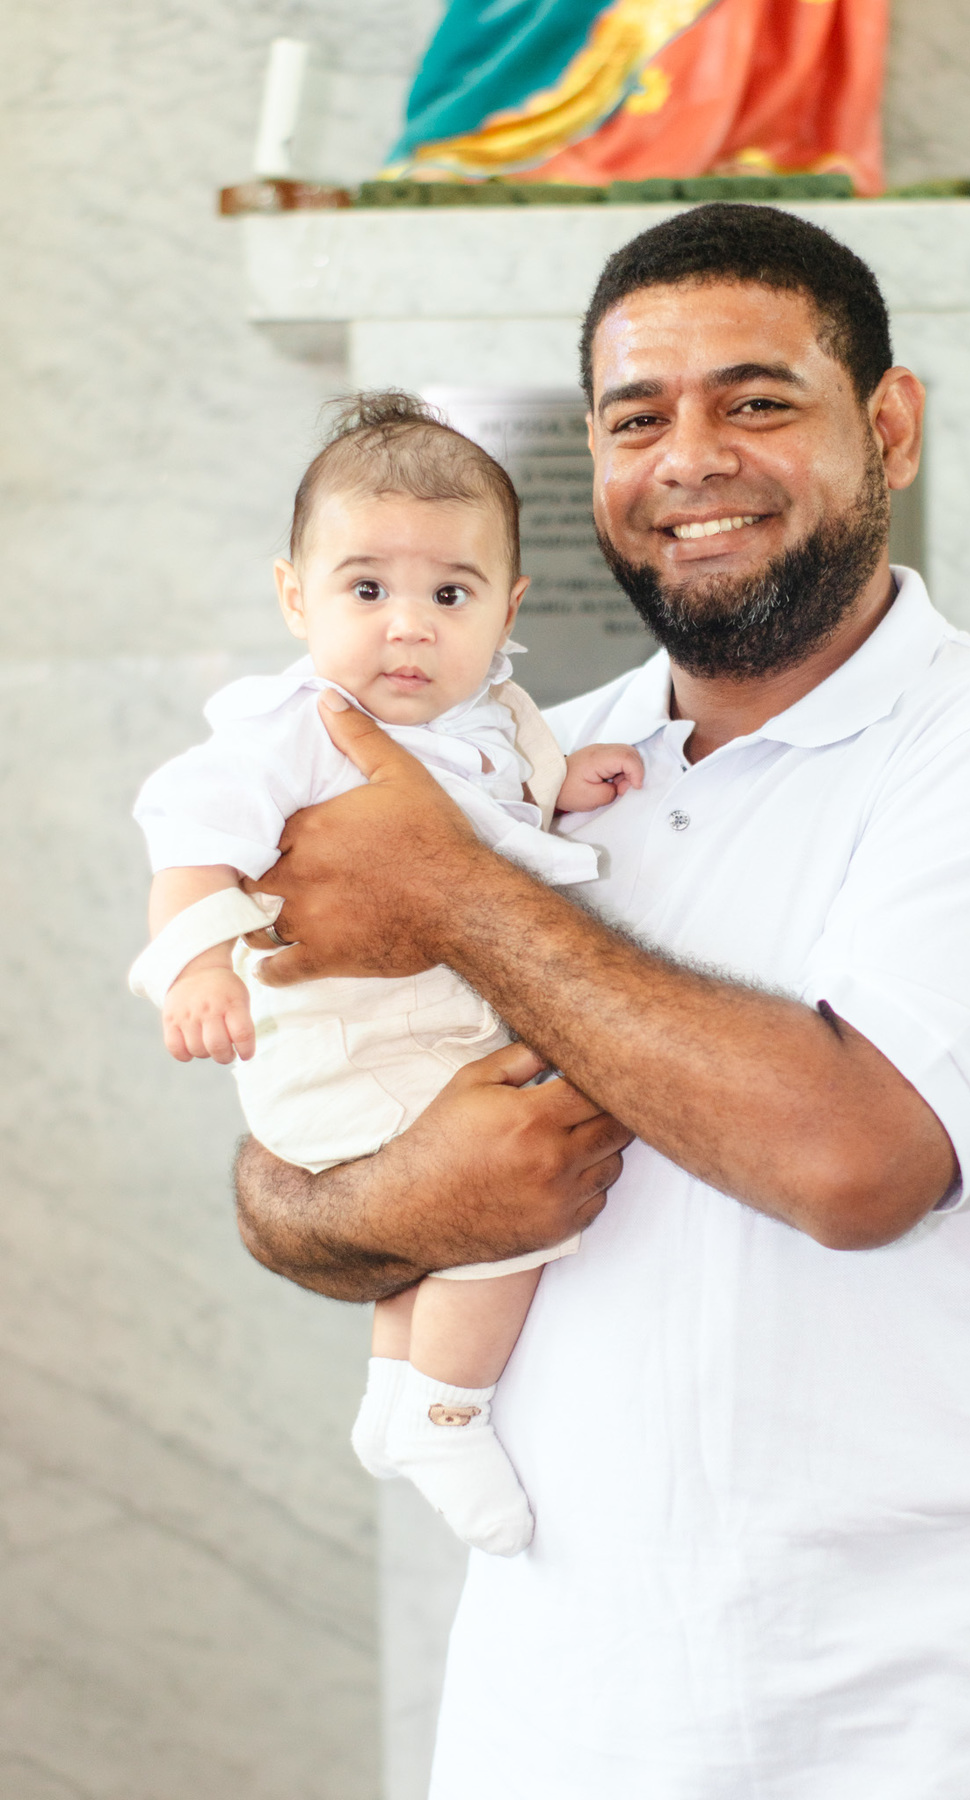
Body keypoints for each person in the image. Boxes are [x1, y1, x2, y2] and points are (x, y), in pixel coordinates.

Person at [234, 204, 970, 1798]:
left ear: (889, 425)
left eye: (757, 400)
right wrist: (409, 1192)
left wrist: (457, 889)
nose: (691, 458)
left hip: (938, 1691)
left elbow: (856, 1162)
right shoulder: (515, 766)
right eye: (634, 418)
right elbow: (281, 1184)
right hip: (564, 1682)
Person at [128, 392, 642, 1559]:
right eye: (367, 590)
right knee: (500, 1215)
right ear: (294, 596)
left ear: (508, 610)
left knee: (447, 1205)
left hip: (426, 1034)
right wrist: (198, 965)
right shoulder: (290, 726)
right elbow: (186, 836)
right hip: (344, 1039)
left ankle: (393, 1392)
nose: (407, 628)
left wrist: (567, 783)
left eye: (449, 596)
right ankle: (447, 1416)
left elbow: (498, 814)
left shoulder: (495, 719)